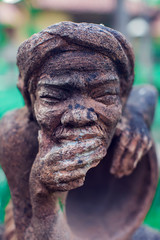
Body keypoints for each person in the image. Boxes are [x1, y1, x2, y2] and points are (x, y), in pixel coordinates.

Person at [0, 22, 159, 240]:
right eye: (54, 97)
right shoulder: (16, 134)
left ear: (122, 95)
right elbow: (27, 231)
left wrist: (137, 117)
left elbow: (146, 92)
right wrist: (43, 194)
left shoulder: (125, 111)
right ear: (29, 98)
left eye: (103, 95)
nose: (80, 115)